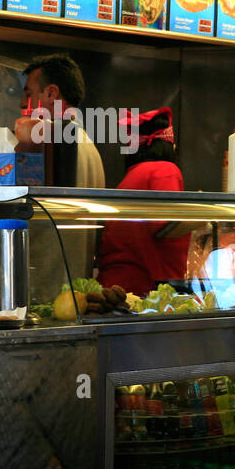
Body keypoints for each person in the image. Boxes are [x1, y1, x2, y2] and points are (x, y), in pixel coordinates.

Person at [96, 108, 189, 295]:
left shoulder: (132, 175)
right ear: (170, 145)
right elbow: (166, 226)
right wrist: (202, 218)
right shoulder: (164, 170)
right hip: (142, 291)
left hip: (115, 289)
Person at [21, 53, 105, 189]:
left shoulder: (55, 144)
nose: (23, 103)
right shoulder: (89, 146)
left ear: (51, 93)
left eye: (29, 94)